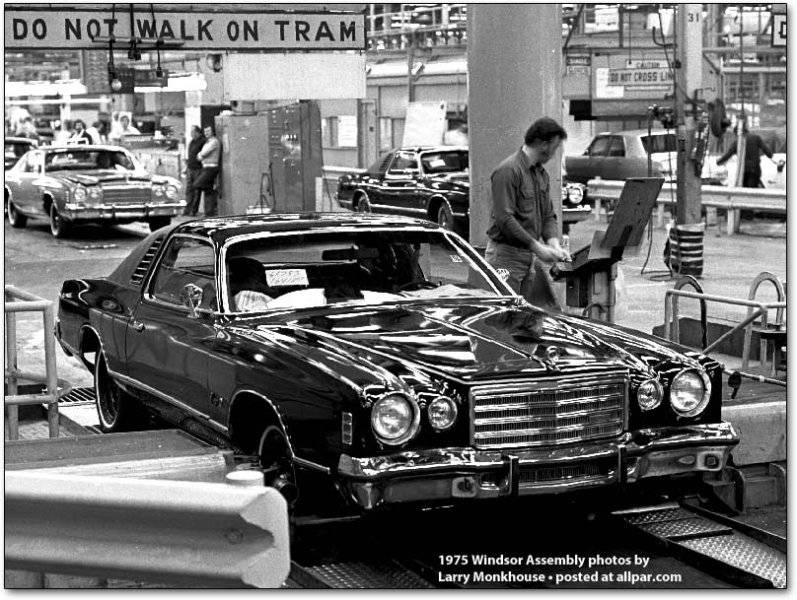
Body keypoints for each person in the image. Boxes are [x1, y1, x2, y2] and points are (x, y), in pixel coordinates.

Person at [485, 117, 571, 309]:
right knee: (504, 318)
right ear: (543, 144)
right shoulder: (508, 171)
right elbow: (504, 219)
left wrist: (553, 244)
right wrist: (537, 248)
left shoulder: (541, 175)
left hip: (527, 258)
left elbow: (548, 215)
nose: (555, 153)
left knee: (523, 319)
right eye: (555, 147)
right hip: (505, 257)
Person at [716, 123, 781, 188]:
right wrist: (772, 158)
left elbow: (728, 155)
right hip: (755, 170)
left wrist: (719, 162)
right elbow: (767, 151)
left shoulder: (737, 142)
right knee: (753, 190)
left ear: (737, 133)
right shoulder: (756, 138)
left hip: (743, 172)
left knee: (746, 192)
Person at [194, 125, 221, 217]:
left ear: (212, 131)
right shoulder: (207, 142)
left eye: (208, 131)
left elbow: (204, 153)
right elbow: (201, 155)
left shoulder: (214, 141)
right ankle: (209, 212)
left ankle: (211, 209)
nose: (206, 133)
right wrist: (200, 155)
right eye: (205, 132)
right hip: (206, 167)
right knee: (207, 189)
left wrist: (200, 155)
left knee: (197, 184)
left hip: (211, 167)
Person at [182, 125, 206, 216]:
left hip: (198, 169)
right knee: (188, 190)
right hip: (190, 168)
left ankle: (193, 211)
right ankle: (187, 210)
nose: (191, 134)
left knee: (196, 190)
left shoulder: (203, 141)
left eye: (192, 132)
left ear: (197, 132)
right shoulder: (192, 142)